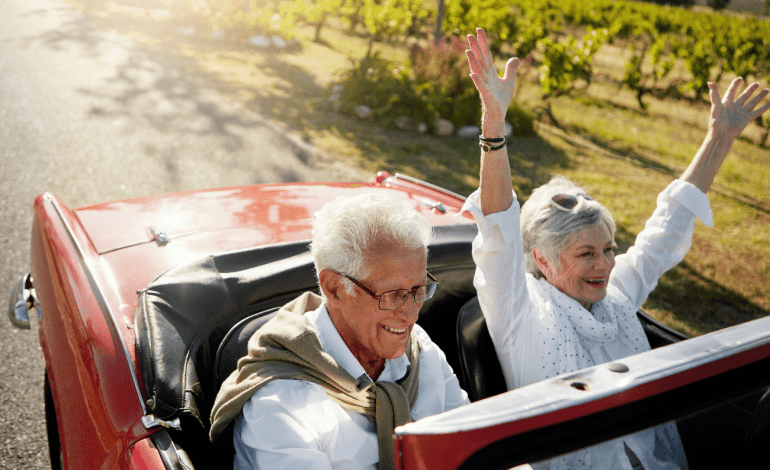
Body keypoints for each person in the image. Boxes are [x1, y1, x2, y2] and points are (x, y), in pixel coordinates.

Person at [461, 28, 770, 469]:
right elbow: (498, 233)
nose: (605, 265)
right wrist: (494, 125)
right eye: (585, 254)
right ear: (541, 260)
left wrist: (720, 136)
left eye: (608, 249)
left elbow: (665, 229)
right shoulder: (520, 315)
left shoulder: (614, 297)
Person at [209, 191, 470, 470]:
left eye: (418, 290)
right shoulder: (281, 403)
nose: (410, 313)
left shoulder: (421, 350)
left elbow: (474, 444)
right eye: (392, 294)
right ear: (334, 288)